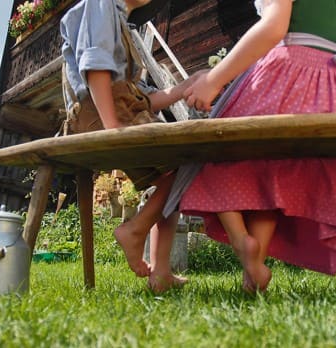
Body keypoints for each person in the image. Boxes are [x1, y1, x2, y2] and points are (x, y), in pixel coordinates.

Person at [177, 0, 336, 292]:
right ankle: (253, 274)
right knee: (273, 182)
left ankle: (241, 241)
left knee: (215, 149)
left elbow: (273, 27)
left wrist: (214, 78)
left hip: (292, 78)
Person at [60, 0, 203, 293]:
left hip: (125, 112)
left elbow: (144, 98)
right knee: (188, 158)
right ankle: (134, 230)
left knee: (177, 169)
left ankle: (161, 271)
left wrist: (184, 87)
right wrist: (112, 126)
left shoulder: (124, 25)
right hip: (99, 115)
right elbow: (94, 61)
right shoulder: (101, 4)